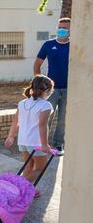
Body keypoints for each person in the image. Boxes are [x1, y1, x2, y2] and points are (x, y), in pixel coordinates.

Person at [5, 75, 55, 198]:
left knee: (29, 166)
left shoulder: (22, 103)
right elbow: (42, 125)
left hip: (22, 141)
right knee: (41, 168)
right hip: (36, 143)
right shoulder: (46, 105)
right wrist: (44, 144)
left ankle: (27, 189)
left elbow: (15, 121)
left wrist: (11, 136)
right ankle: (18, 187)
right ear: (47, 90)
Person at [34, 17, 71, 155]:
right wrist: (39, 84)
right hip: (50, 90)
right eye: (60, 27)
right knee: (46, 118)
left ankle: (58, 145)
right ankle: (41, 145)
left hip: (68, 89)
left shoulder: (74, 45)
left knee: (62, 119)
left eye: (65, 28)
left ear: (70, 30)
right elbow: (37, 64)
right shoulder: (48, 44)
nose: (62, 30)